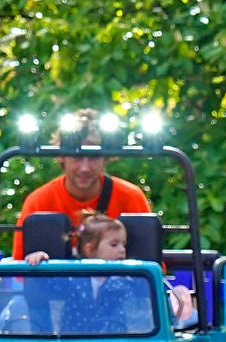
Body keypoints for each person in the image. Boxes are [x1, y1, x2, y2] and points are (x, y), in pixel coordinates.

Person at [11, 108, 153, 258]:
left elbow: (152, 265)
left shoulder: (130, 197)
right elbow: (19, 270)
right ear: (62, 157)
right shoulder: (38, 203)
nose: (85, 168)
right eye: (77, 157)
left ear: (105, 158)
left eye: (93, 157)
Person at [23, 215, 195, 329]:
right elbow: (45, 285)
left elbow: (152, 299)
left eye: (124, 244)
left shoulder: (130, 277)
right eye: (114, 244)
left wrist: (174, 299)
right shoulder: (71, 275)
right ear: (90, 249)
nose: (122, 250)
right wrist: (39, 260)